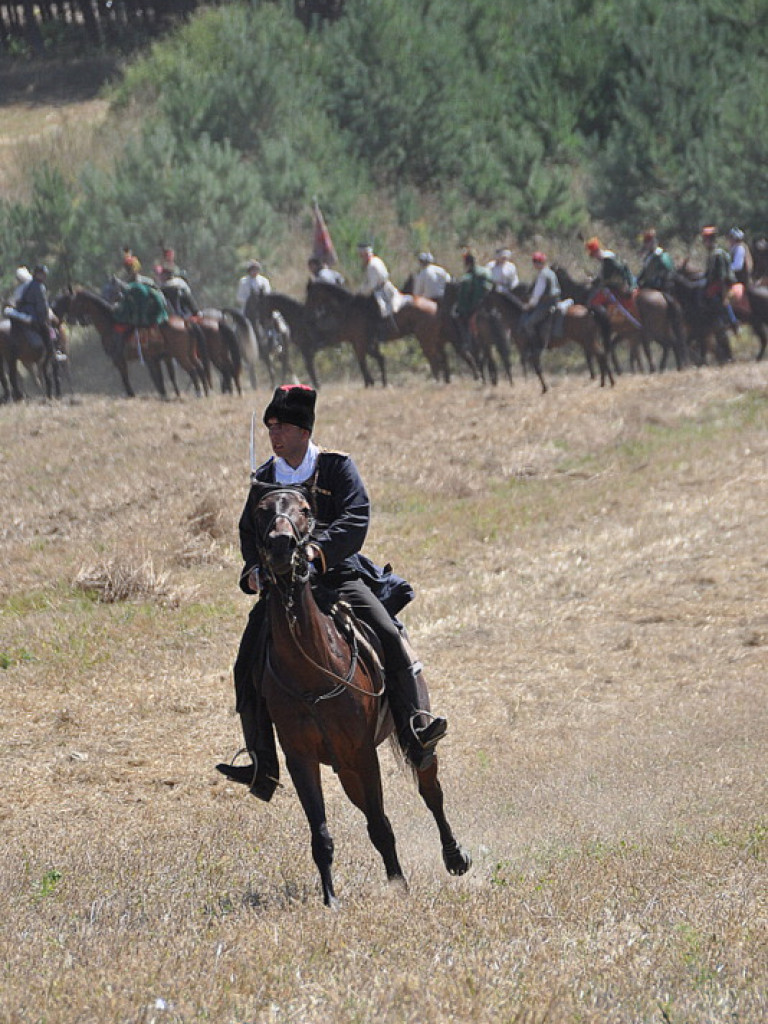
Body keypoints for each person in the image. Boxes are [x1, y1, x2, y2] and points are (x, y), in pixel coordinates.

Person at [217, 385, 448, 800]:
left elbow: (355, 519)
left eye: (282, 425)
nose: (274, 433)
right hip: (281, 590)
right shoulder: (263, 479)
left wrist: (316, 552)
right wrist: (253, 570)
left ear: (304, 430)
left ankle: (415, 730)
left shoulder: (337, 467)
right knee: (245, 664)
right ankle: (262, 764)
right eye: (270, 425)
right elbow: (248, 531)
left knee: (390, 636)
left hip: (337, 576)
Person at [452, 251, 494, 352]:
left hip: (476, 304)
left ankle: (467, 341)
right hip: (490, 302)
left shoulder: (469, 276)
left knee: (458, 316)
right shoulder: (486, 271)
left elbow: (465, 294)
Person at [520, 251, 561, 348]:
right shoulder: (550, 272)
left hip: (546, 305)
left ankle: (536, 346)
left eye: (536, 262)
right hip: (555, 301)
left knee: (528, 324)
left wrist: (529, 305)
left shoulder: (542, 275)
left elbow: (537, 294)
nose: (535, 264)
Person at [700, 226, 737, 332]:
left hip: (721, 284)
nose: (704, 243)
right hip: (713, 282)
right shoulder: (711, 253)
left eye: (705, 241)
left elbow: (722, 276)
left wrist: (724, 292)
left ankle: (731, 321)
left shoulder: (718, 254)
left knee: (716, 300)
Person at [10, 264, 51, 352]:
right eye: (42, 274)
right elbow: (42, 305)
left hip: (22, 311)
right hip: (33, 314)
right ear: (37, 274)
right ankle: (51, 352)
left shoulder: (28, 284)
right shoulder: (39, 286)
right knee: (47, 332)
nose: (44, 276)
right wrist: (45, 318)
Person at [586, 237, 636, 301]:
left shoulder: (607, 260)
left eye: (593, 255)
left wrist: (593, 281)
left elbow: (605, 278)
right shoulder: (609, 255)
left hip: (622, 285)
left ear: (596, 252)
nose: (595, 258)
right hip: (624, 281)